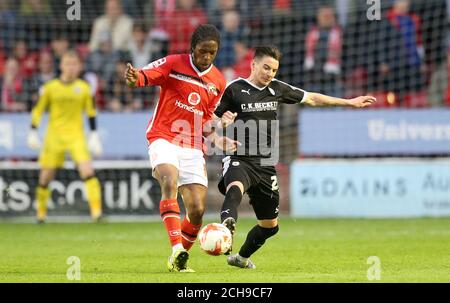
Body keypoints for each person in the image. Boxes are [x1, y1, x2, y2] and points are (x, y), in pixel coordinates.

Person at [214, 45, 376, 269]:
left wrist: (348, 102)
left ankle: (240, 258)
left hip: (266, 164)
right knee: (235, 188)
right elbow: (210, 120)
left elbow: (311, 98)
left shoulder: (277, 89)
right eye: (266, 68)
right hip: (239, 156)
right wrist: (221, 127)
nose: (270, 74)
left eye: (274, 70)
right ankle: (226, 227)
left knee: (270, 226)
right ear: (253, 65)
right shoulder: (234, 89)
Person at [125, 24, 239, 272]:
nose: (206, 56)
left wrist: (220, 138)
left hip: (191, 145)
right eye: (202, 51)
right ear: (192, 48)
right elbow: (145, 76)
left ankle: (178, 260)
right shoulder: (174, 63)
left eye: (212, 52)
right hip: (163, 135)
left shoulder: (218, 81)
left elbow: (206, 120)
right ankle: (176, 246)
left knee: (197, 210)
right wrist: (136, 78)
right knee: (169, 179)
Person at [27, 50, 104, 224]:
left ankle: (97, 213)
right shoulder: (49, 88)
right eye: (67, 63)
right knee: (45, 177)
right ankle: (40, 215)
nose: (70, 67)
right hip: (53, 137)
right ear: (61, 65)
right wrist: (32, 131)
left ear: (79, 67)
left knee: (88, 171)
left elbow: (91, 112)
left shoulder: (84, 88)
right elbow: (38, 110)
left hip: (76, 136)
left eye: (74, 64)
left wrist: (94, 135)